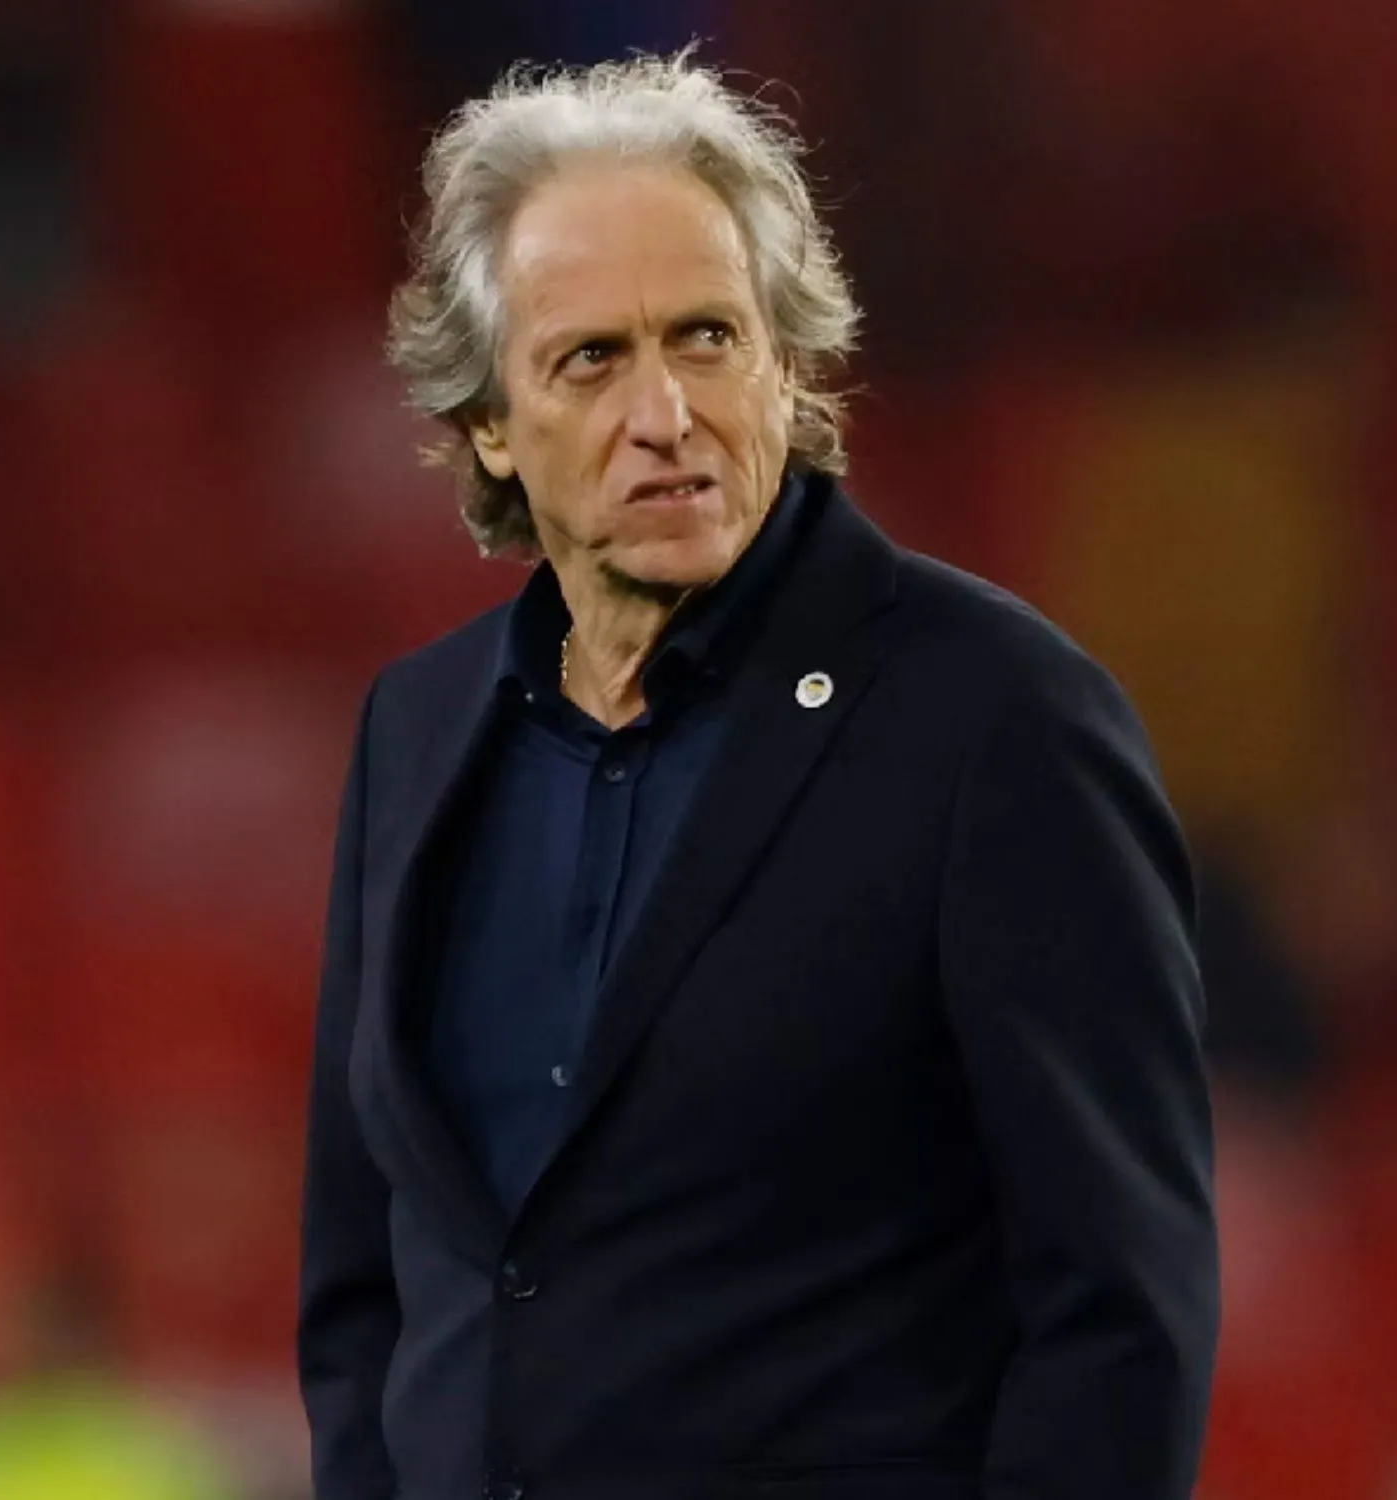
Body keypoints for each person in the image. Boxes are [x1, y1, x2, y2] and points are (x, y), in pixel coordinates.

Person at [295, 54, 1220, 1500]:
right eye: (593, 360)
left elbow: (1120, 1312)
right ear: (488, 423)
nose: (666, 413)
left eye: (709, 337)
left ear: (787, 363)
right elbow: (368, 1280)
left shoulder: (998, 719)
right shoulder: (418, 732)